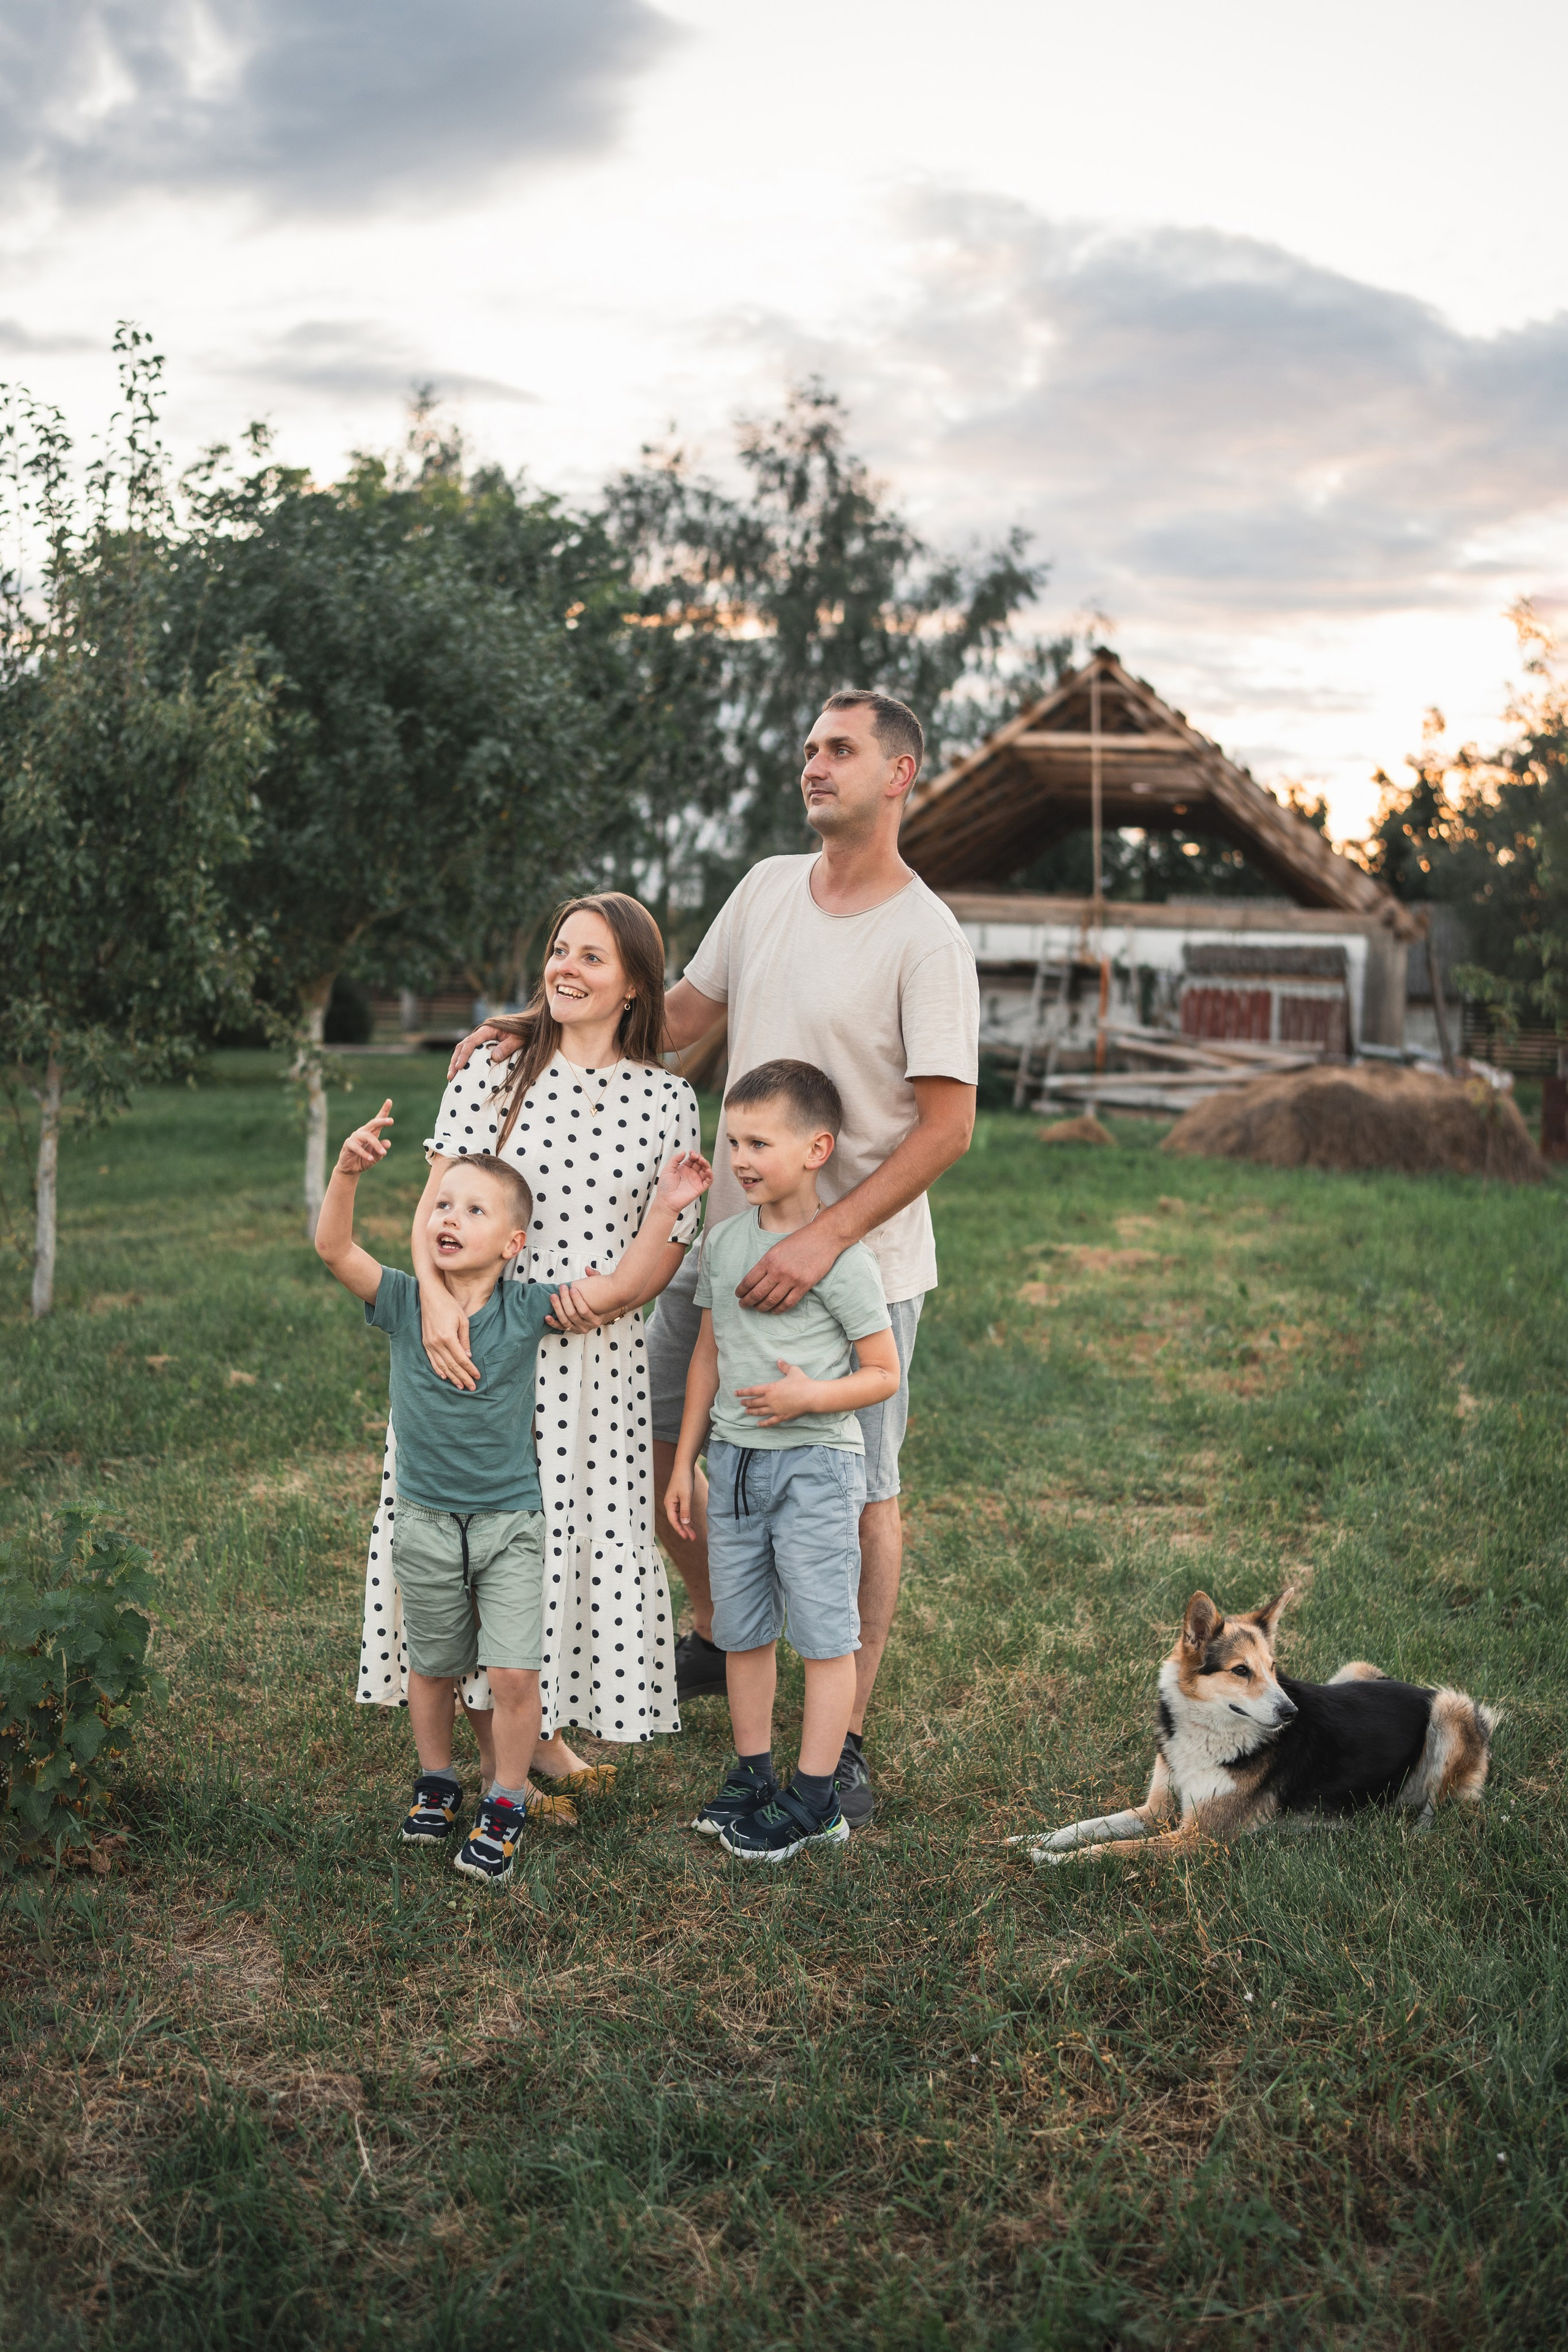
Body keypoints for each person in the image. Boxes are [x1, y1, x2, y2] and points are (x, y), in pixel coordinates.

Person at [450, 695, 979, 1830]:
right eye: (809, 747)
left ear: (900, 774)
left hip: (858, 1263)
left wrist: (825, 1236)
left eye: (841, 750)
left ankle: (848, 1732)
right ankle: (714, 1628)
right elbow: (675, 1016)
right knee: (655, 1438)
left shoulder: (926, 937)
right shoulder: (767, 888)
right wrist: (529, 1028)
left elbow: (947, 1126)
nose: (814, 763)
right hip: (721, 1235)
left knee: (860, 1496)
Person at [355, 894, 706, 1810]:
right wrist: (437, 1310)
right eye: (559, 949)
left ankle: (540, 1734)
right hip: (475, 1351)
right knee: (471, 1537)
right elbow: (438, 1209)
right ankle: (497, 1749)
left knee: (556, 1538)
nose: (569, 968)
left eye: (593, 957)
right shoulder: (492, 1074)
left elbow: (660, 1252)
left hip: (594, 1362)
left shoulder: (669, 1101)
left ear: (635, 984)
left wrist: (590, 1301)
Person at [320, 1094, 711, 1883]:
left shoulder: (527, 1308)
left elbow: (623, 1286)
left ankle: (506, 1798)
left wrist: (667, 1209)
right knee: (430, 1666)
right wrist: (346, 1174)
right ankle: (436, 1783)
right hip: (425, 1519)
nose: (450, 1218)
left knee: (513, 1673)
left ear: (513, 1242)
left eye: (473, 1208)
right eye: (443, 1205)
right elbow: (334, 1249)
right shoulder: (402, 1301)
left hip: (510, 1525)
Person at [668, 1060, 899, 1860]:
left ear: (816, 1149)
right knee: (744, 1631)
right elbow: (708, 1353)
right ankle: (755, 1773)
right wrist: (685, 1459)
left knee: (825, 1637)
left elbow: (884, 1371)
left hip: (814, 1468)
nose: (740, 1158)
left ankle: (814, 1797)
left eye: (759, 1141)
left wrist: (810, 1398)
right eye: (732, 1140)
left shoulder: (841, 1257)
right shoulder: (725, 1244)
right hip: (731, 1466)